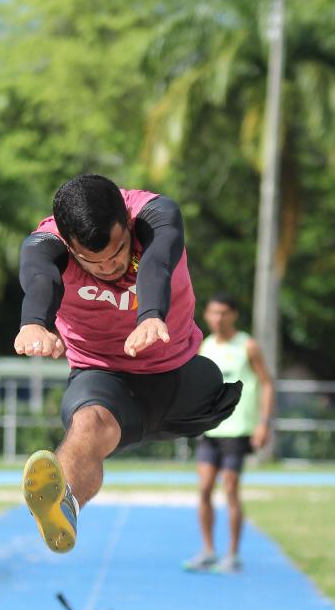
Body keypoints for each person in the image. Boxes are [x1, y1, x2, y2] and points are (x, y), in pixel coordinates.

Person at [14, 175, 242, 552]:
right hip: (104, 378)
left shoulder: (156, 214)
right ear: (70, 246)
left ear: (127, 223)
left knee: (212, 383)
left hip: (178, 378)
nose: (111, 267)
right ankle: (64, 503)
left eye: (119, 251)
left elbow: (156, 263)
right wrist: (33, 322)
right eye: (93, 261)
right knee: (87, 425)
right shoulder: (46, 244)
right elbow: (41, 280)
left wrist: (151, 314)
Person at [185, 294, 275, 573]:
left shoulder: (247, 346)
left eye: (223, 313)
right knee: (204, 489)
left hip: (238, 430)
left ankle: (233, 554)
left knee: (231, 489)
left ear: (234, 315)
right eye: (213, 313)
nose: (217, 318)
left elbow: (267, 384)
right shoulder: (205, 345)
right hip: (210, 429)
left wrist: (263, 423)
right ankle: (208, 551)